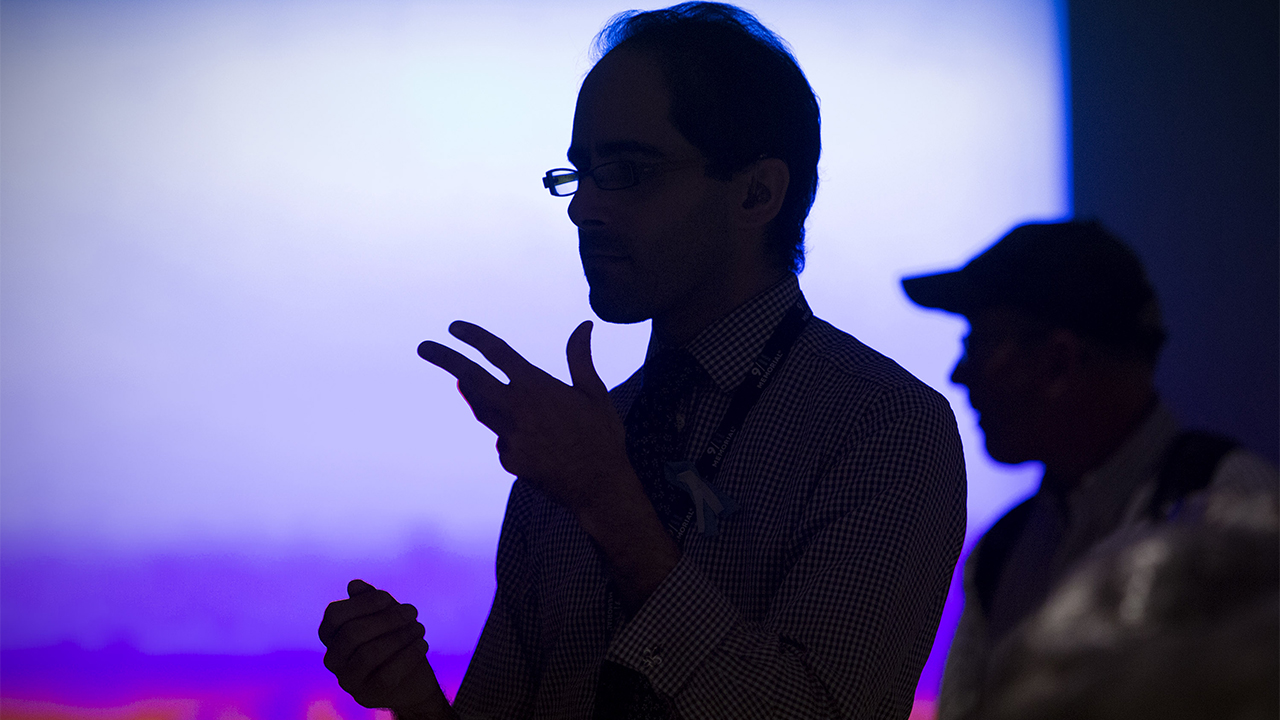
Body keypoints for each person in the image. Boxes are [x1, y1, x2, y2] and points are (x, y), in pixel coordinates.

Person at [320, 4, 966, 719]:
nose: (582, 209)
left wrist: (607, 501)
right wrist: (411, 697)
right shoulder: (578, 442)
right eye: (581, 172)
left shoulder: (882, 426)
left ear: (757, 192)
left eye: (626, 171)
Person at [900, 220, 1279, 720]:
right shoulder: (1002, 550)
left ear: (1059, 361)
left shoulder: (1233, 506)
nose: (960, 373)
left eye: (982, 341)